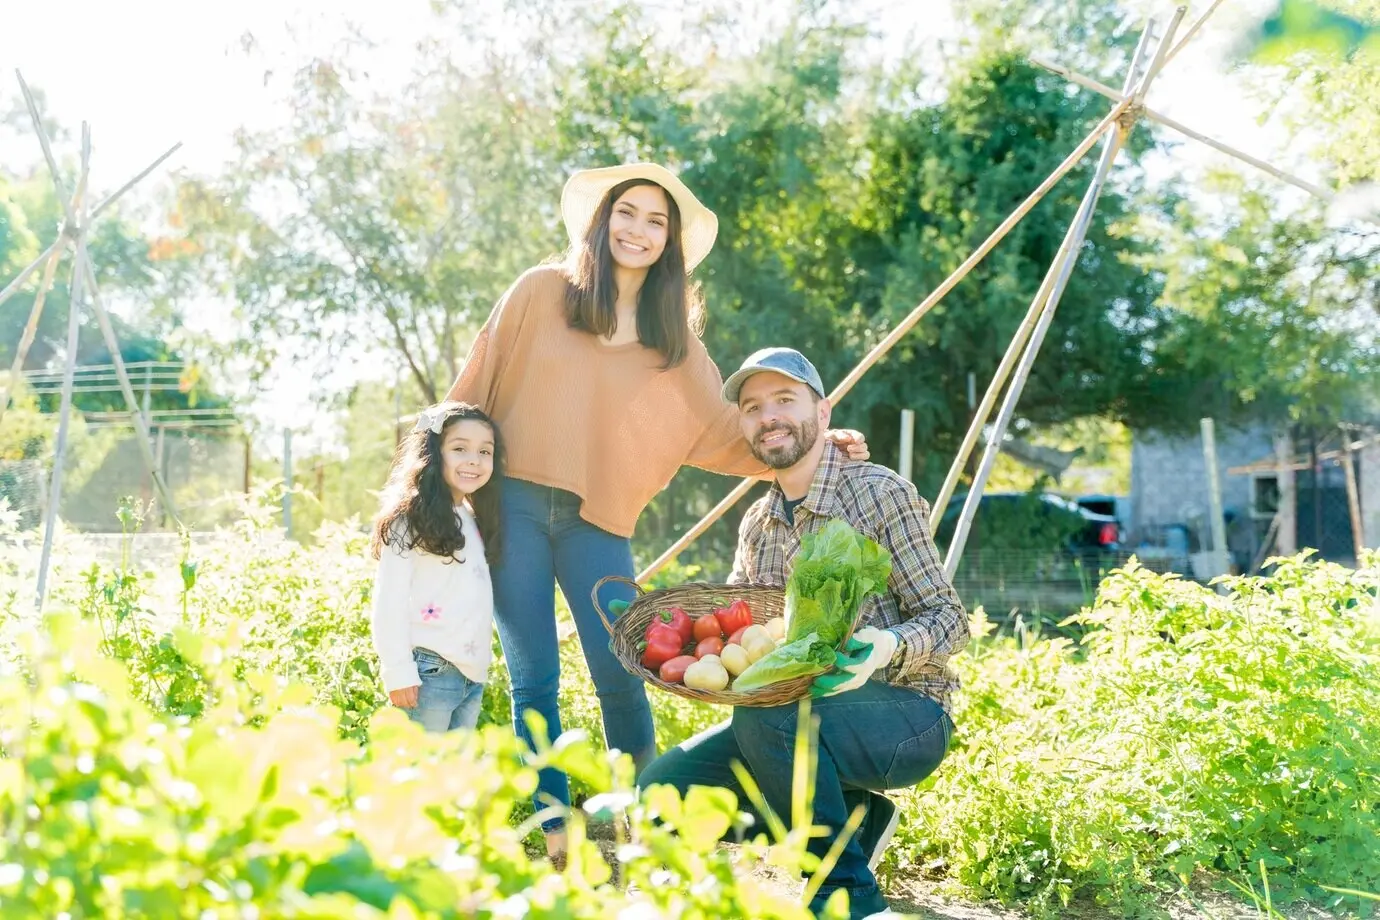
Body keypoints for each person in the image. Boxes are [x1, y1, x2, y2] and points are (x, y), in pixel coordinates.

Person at [445, 163, 868, 860]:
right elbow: (471, 390)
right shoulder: (539, 293)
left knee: (624, 668)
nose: (637, 230)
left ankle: (637, 823)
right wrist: (430, 487)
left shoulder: (674, 342)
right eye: (627, 212)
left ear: (668, 242)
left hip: (595, 523)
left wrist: (820, 439)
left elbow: (730, 432)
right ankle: (555, 830)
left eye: (655, 221)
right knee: (534, 680)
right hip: (510, 510)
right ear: (602, 219)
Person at [638, 347, 969, 920]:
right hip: (798, 717)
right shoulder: (757, 525)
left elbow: (949, 619)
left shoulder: (878, 493)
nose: (769, 416)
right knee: (663, 794)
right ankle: (858, 818)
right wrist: (695, 649)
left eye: (785, 400)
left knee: (769, 714)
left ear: (823, 408)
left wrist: (885, 648)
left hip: (906, 715)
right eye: (753, 407)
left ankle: (851, 902)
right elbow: (744, 645)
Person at [368, 401, 504, 734]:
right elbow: (389, 600)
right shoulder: (409, 520)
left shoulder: (473, 519)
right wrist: (398, 670)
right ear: (433, 453)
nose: (474, 460)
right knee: (421, 775)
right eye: (460, 448)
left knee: (451, 777)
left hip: (471, 675)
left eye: (485, 452)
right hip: (428, 671)